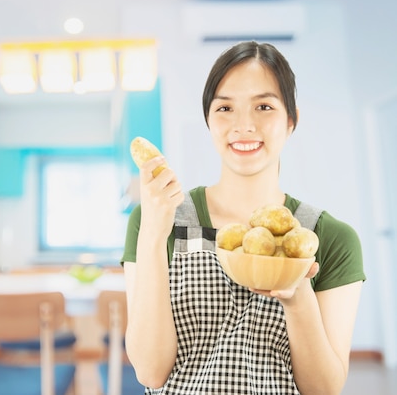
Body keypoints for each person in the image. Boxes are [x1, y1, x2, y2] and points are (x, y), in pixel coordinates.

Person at [122, 41, 366, 395]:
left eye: (264, 106)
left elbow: (324, 390)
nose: (244, 125)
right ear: (208, 119)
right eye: (225, 108)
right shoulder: (156, 218)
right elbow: (150, 372)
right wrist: (154, 234)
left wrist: (298, 297)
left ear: (291, 120)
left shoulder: (330, 238)